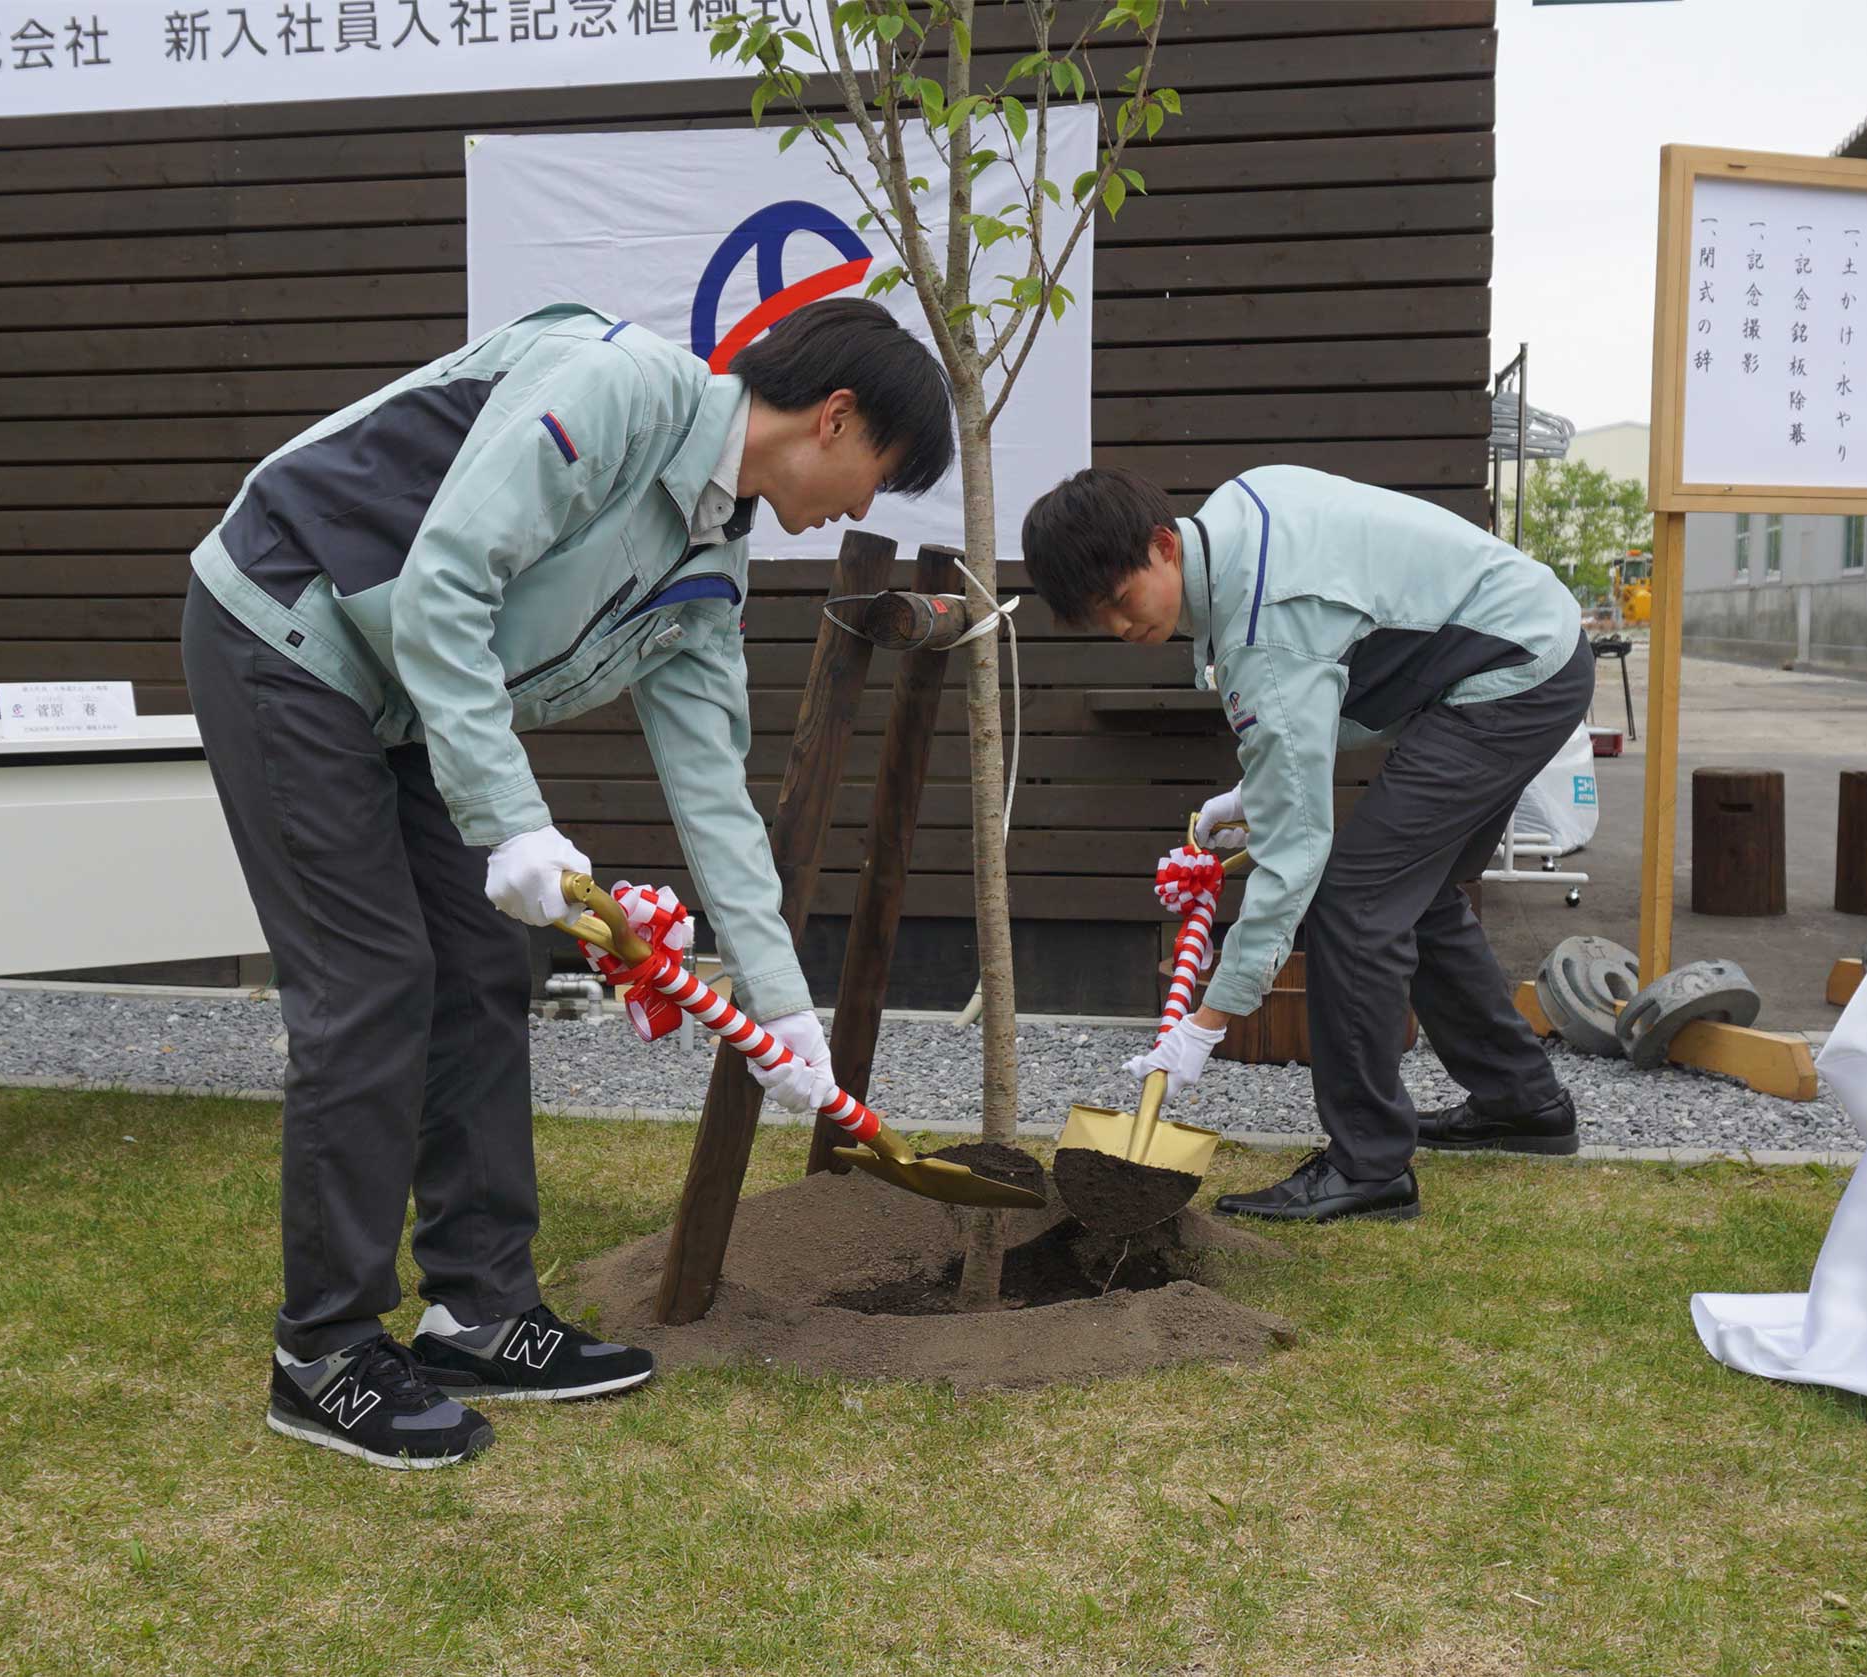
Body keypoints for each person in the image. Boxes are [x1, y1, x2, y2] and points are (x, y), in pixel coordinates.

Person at [183, 298, 952, 1469]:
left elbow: (714, 795)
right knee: (377, 982)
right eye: (874, 478)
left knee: (485, 968)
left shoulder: (711, 561)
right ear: (835, 418)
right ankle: (324, 1353)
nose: (856, 510)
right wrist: (515, 824)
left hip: (402, 689)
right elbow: (445, 582)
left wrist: (780, 1004)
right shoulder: (618, 389)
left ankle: (479, 1310)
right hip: (288, 626)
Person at [1021, 464, 1594, 1224]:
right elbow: (1318, 700)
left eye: (1122, 601)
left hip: (1515, 670)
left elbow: (1296, 853)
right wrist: (1257, 792)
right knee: (1409, 895)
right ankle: (1522, 1102)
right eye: (1100, 618)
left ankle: (1369, 1165)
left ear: (1163, 546)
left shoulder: (1262, 624)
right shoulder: (1232, 514)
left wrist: (1208, 1022)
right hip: (1526, 641)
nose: (1122, 630)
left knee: (1354, 899)